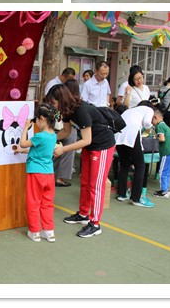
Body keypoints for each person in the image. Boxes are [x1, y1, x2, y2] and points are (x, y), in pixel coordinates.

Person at [55, 89, 116, 238]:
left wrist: (63, 149)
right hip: (90, 147)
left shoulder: (81, 110)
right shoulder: (67, 111)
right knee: (85, 182)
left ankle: (95, 224)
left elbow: (86, 140)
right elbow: (65, 132)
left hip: (102, 146)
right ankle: (83, 214)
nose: (52, 105)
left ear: (61, 100)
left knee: (96, 186)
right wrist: (47, 138)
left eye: (53, 102)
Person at [16, 103, 57, 243]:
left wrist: (25, 128)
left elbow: (23, 143)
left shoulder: (40, 136)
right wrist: (23, 151)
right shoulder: (53, 136)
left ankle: (35, 232)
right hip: (49, 173)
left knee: (33, 202)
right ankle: (49, 231)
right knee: (47, 203)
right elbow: (39, 150)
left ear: (42, 119)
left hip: (36, 173)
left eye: (36, 120)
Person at [114, 102, 156, 208]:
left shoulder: (129, 110)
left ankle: (122, 194)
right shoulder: (148, 109)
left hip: (118, 137)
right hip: (132, 135)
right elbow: (147, 123)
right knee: (140, 166)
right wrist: (150, 128)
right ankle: (136, 198)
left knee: (124, 165)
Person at [44, 82, 78, 187]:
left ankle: (51, 175)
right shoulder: (70, 105)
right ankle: (59, 178)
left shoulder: (60, 104)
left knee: (55, 151)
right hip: (63, 129)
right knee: (66, 152)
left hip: (55, 128)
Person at [151, 109, 170, 198]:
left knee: (163, 172)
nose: (151, 123)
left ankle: (164, 191)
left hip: (167, 152)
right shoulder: (165, 125)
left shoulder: (159, 126)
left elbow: (162, 139)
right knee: (168, 172)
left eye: (151, 120)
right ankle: (166, 189)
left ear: (155, 117)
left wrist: (155, 137)